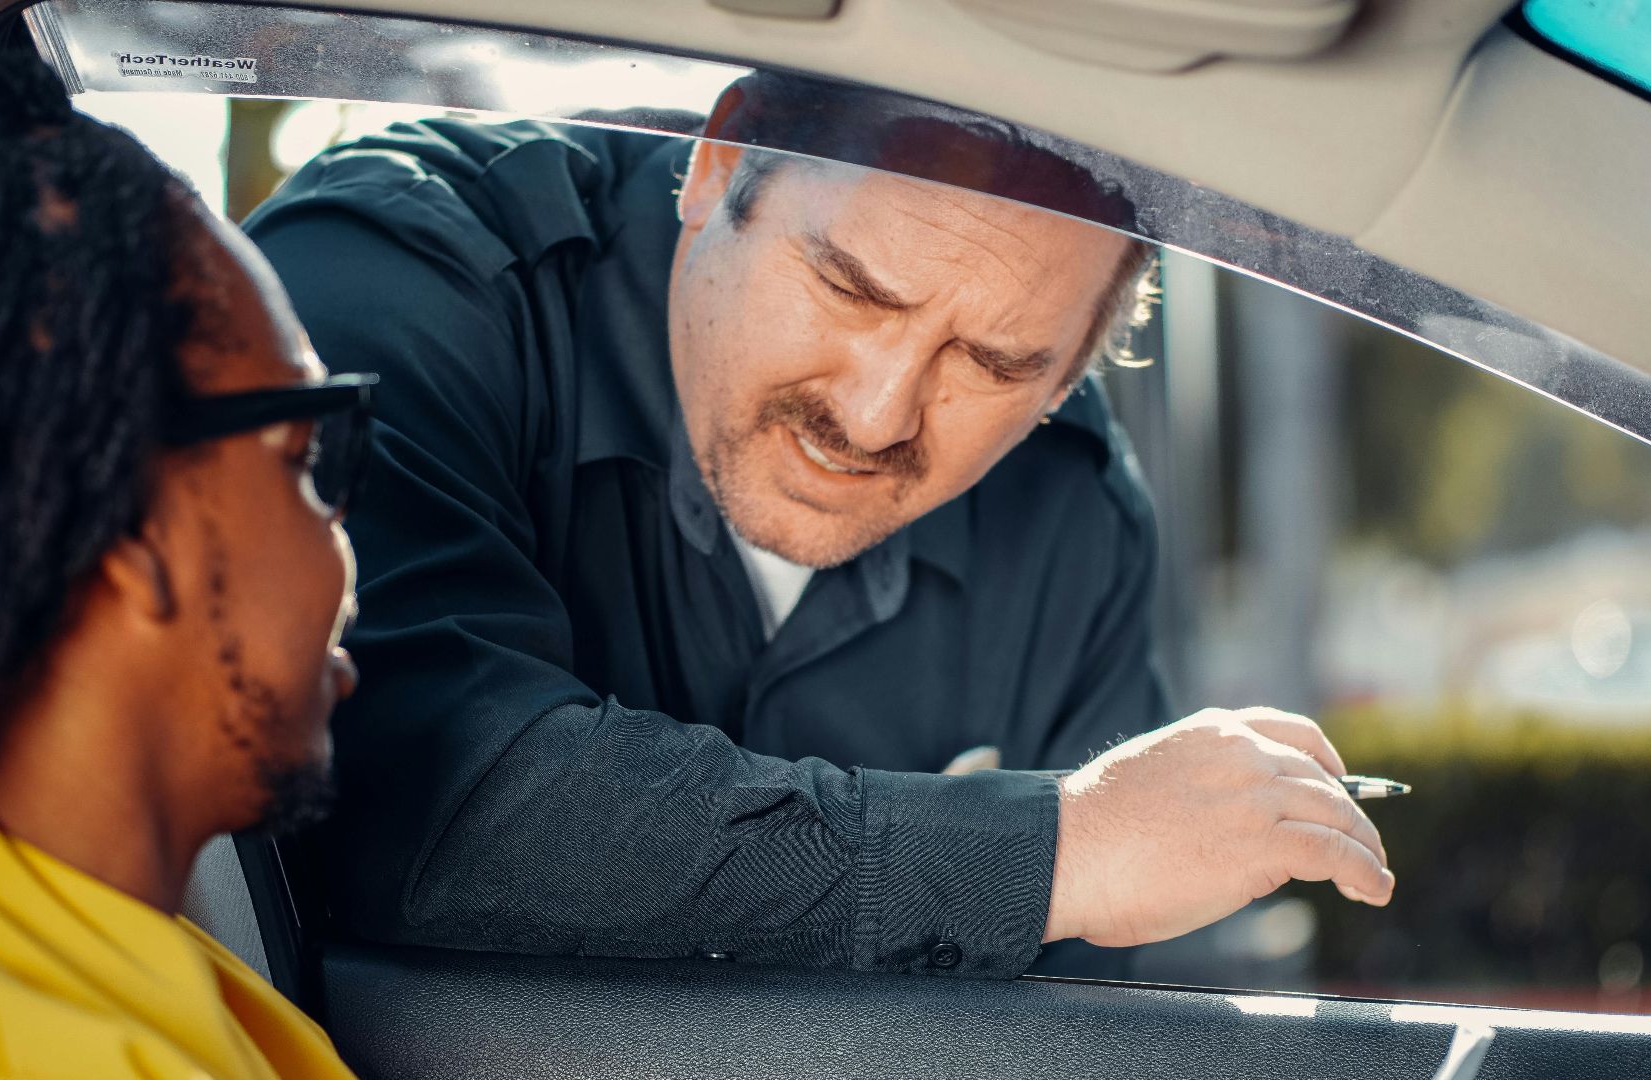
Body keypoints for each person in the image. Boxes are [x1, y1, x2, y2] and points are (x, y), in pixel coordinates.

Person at [246, 73, 1395, 981]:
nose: (875, 411)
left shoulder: (1074, 520)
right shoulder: (398, 280)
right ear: (720, 162)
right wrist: (1050, 848)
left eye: (993, 364)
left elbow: (1072, 1027)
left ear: (1071, 374)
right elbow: (434, 803)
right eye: (851, 286)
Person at [0, 55, 374, 1076]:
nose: (342, 536)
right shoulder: (11, 1050)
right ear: (133, 521)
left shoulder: (45, 925)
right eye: (308, 460)